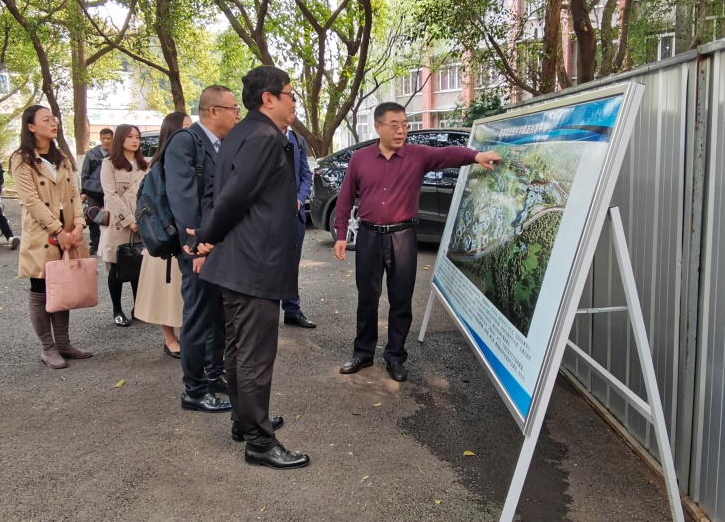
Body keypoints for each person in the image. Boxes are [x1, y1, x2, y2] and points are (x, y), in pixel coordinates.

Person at [334, 102, 501, 383]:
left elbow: (448, 154)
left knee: (401, 299)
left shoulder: (417, 155)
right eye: (394, 125)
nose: (401, 131)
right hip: (368, 237)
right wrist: (341, 235)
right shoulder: (360, 159)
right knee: (367, 297)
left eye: (405, 125)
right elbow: (345, 197)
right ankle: (363, 352)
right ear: (378, 127)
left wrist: (477, 155)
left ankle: (395, 355)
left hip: (403, 237)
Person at [192, 65, 308, 469]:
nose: (295, 102)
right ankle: (259, 441)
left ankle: (245, 421)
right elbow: (232, 197)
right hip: (255, 263)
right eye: (291, 94)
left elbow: (220, 191)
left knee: (239, 348)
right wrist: (207, 236)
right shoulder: (263, 137)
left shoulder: (241, 133)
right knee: (254, 355)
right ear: (269, 98)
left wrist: (210, 237)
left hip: (240, 262)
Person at [165, 86, 241, 414]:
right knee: (197, 316)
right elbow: (183, 201)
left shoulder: (220, 145)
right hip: (196, 249)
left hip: (215, 247)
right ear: (214, 111)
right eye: (233, 108)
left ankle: (213, 373)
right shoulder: (185, 142)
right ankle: (194, 390)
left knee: (217, 314)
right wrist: (198, 249)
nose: (237, 115)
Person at [9, 105, 92, 369]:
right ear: (31, 126)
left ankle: (64, 343)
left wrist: (78, 225)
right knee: (41, 289)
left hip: (68, 231)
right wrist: (58, 230)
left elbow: (74, 195)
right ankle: (48, 348)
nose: (53, 123)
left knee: (62, 287)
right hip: (42, 234)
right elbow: (31, 201)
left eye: (53, 119)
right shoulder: (21, 159)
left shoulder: (61, 157)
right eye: (46, 120)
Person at [133, 112, 193, 358]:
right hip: (167, 238)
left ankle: (186, 335)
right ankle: (169, 338)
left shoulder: (191, 159)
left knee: (183, 294)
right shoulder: (159, 167)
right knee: (166, 293)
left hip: (185, 238)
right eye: (185, 127)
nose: (191, 132)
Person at [98, 125, 149, 327]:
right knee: (116, 267)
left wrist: (143, 220)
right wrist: (129, 220)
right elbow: (110, 195)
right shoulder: (109, 163)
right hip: (118, 223)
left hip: (141, 220)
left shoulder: (144, 165)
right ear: (121, 139)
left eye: (137, 137)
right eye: (130, 137)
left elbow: (149, 193)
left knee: (139, 264)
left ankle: (139, 308)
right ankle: (117, 310)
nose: (135, 140)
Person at [281, 119, 316, 329]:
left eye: (294, 110)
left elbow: (306, 175)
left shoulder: (298, 140)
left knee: (291, 265)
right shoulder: (262, 137)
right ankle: (265, 314)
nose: (291, 113)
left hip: (296, 215)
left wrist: (300, 199)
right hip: (270, 217)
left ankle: (292, 310)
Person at [81, 127, 114, 254]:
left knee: (111, 217)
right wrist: (83, 191)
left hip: (110, 191)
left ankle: (109, 242)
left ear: (112, 139)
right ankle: (95, 244)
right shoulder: (91, 154)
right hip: (93, 191)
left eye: (109, 138)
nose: (106, 141)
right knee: (94, 217)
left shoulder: (116, 154)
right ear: (100, 139)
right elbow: (85, 173)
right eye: (104, 138)